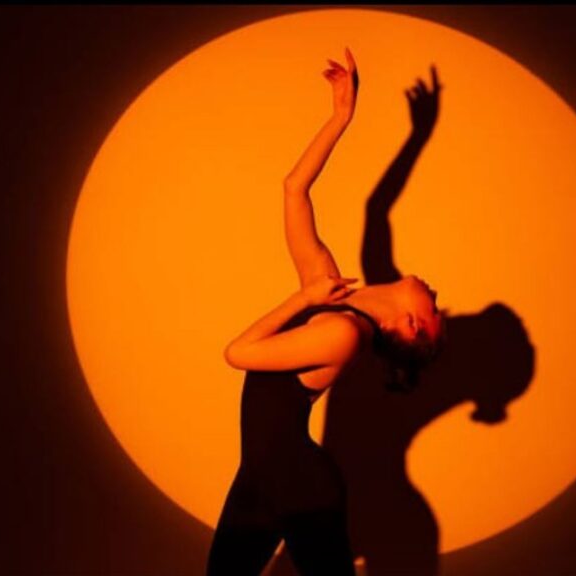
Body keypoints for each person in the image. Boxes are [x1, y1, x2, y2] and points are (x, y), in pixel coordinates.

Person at [206, 48, 446, 576]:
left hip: (300, 483)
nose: (433, 292)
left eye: (434, 308)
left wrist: (304, 298)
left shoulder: (340, 332)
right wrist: (341, 117)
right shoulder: (335, 295)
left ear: (409, 325)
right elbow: (296, 190)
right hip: (260, 477)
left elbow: (237, 353)